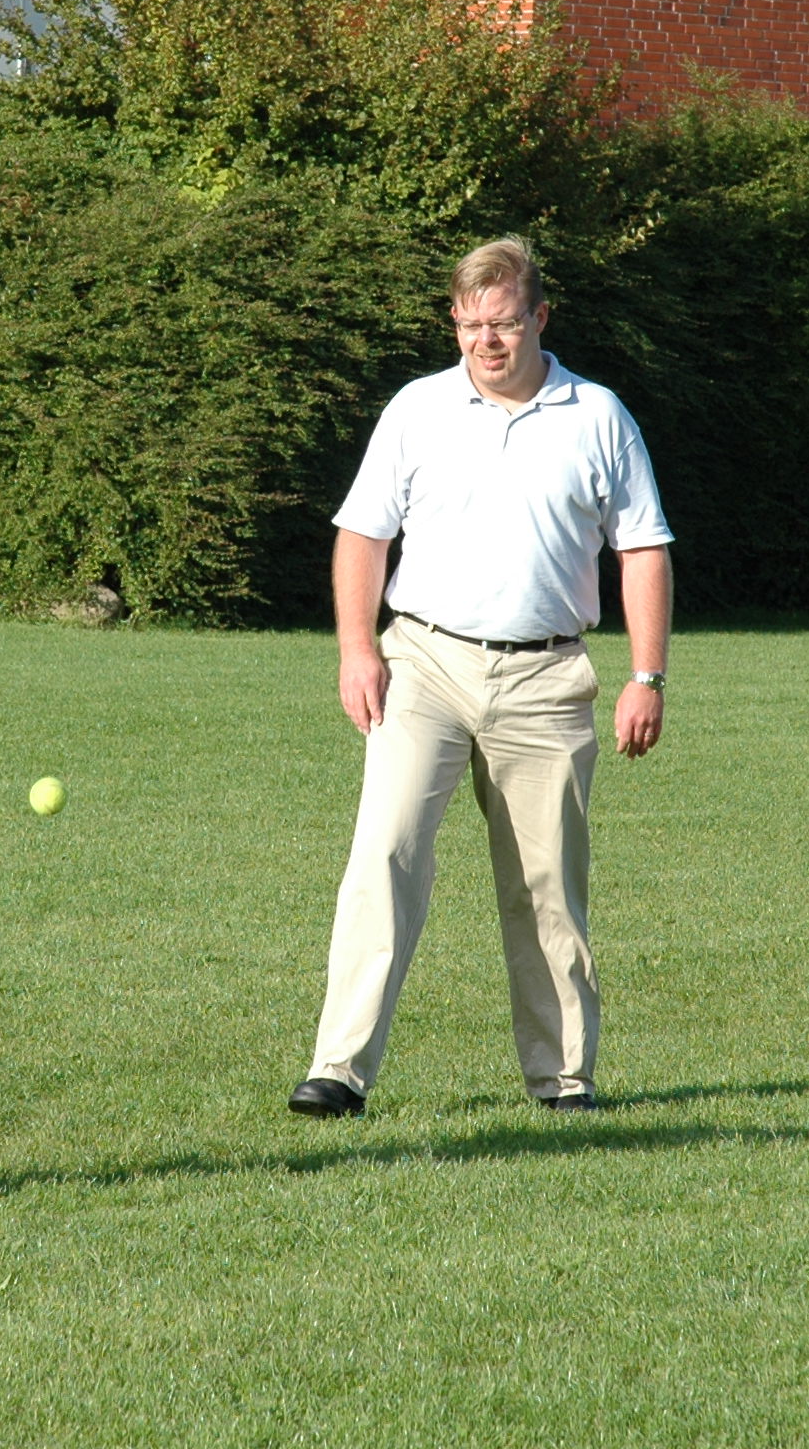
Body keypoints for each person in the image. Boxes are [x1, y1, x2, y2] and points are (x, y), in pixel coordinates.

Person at [288, 238, 674, 1120]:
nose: (486, 342)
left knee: (546, 885)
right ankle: (339, 1070)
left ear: (540, 317)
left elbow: (644, 548)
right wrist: (357, 649)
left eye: (502, 323)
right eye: (470, 325)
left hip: (547, 675)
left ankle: (563, 1080)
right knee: (386, 853)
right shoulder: (418, 408)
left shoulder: (598, 415)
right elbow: (363, 535)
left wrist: (646, 674)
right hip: (423, 662)